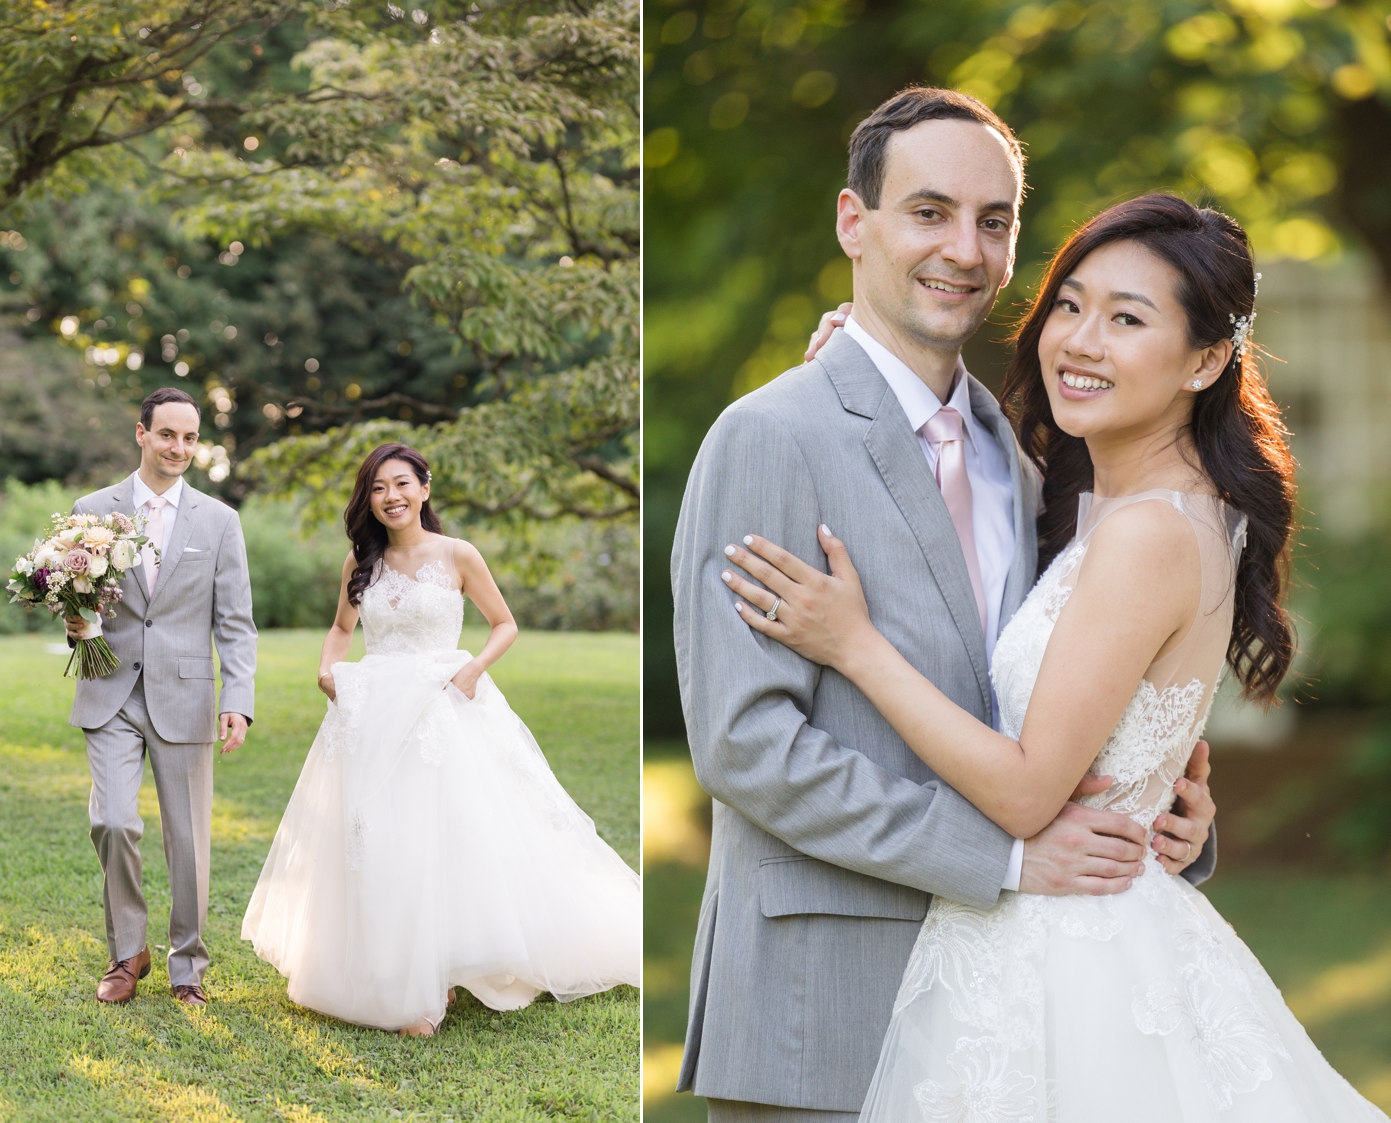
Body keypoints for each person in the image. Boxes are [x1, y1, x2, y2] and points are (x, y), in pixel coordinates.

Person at [724, 193, 1387, 1119]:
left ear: (1204, 359)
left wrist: (854, 645)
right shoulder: (1107, 498)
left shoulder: (1148, 533)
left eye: (1127, 319)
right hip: (1062, 933)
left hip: (1072, 957)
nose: (1080, 340)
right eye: (1070, 304)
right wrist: (859, 379)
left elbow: (1033, 790)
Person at [670, 88, 1217, 1121]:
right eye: (928, 212)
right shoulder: (768, 437)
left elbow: (1055, 691)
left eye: (994, 221)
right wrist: (1004, 859)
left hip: (1007, 1018)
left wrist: (1162, 814)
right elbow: (747, 748)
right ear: (852, 222)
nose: (963, 249)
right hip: (819, 1008)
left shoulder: (1026, 455)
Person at [241, 442, 639, 1035]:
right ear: (367, 500)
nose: (391, 497)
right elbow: (341, 628)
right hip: (372, 708)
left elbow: (505, 623)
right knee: (379, 835)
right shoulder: (360, 563)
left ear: (424, 488)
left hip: (442, 704)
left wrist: (472, 670)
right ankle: (404, 976)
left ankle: (440, 973)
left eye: (401, 484)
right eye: (377, 488)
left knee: (445, 834)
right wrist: (328, 671)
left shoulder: (457, 554)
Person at [67, 386, 257, 1006]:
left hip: (187, 696)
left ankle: (188, 968)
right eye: (168, 434)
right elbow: (76, 597)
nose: (179, 448)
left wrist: (238, 696)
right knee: (113, 820)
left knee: (188, 841)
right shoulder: (91, 509)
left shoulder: (220, 521)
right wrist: (73, 624)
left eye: (191, 438)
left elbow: (234, 622)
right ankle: (128, 953)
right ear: (142, 433)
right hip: (110, 689)